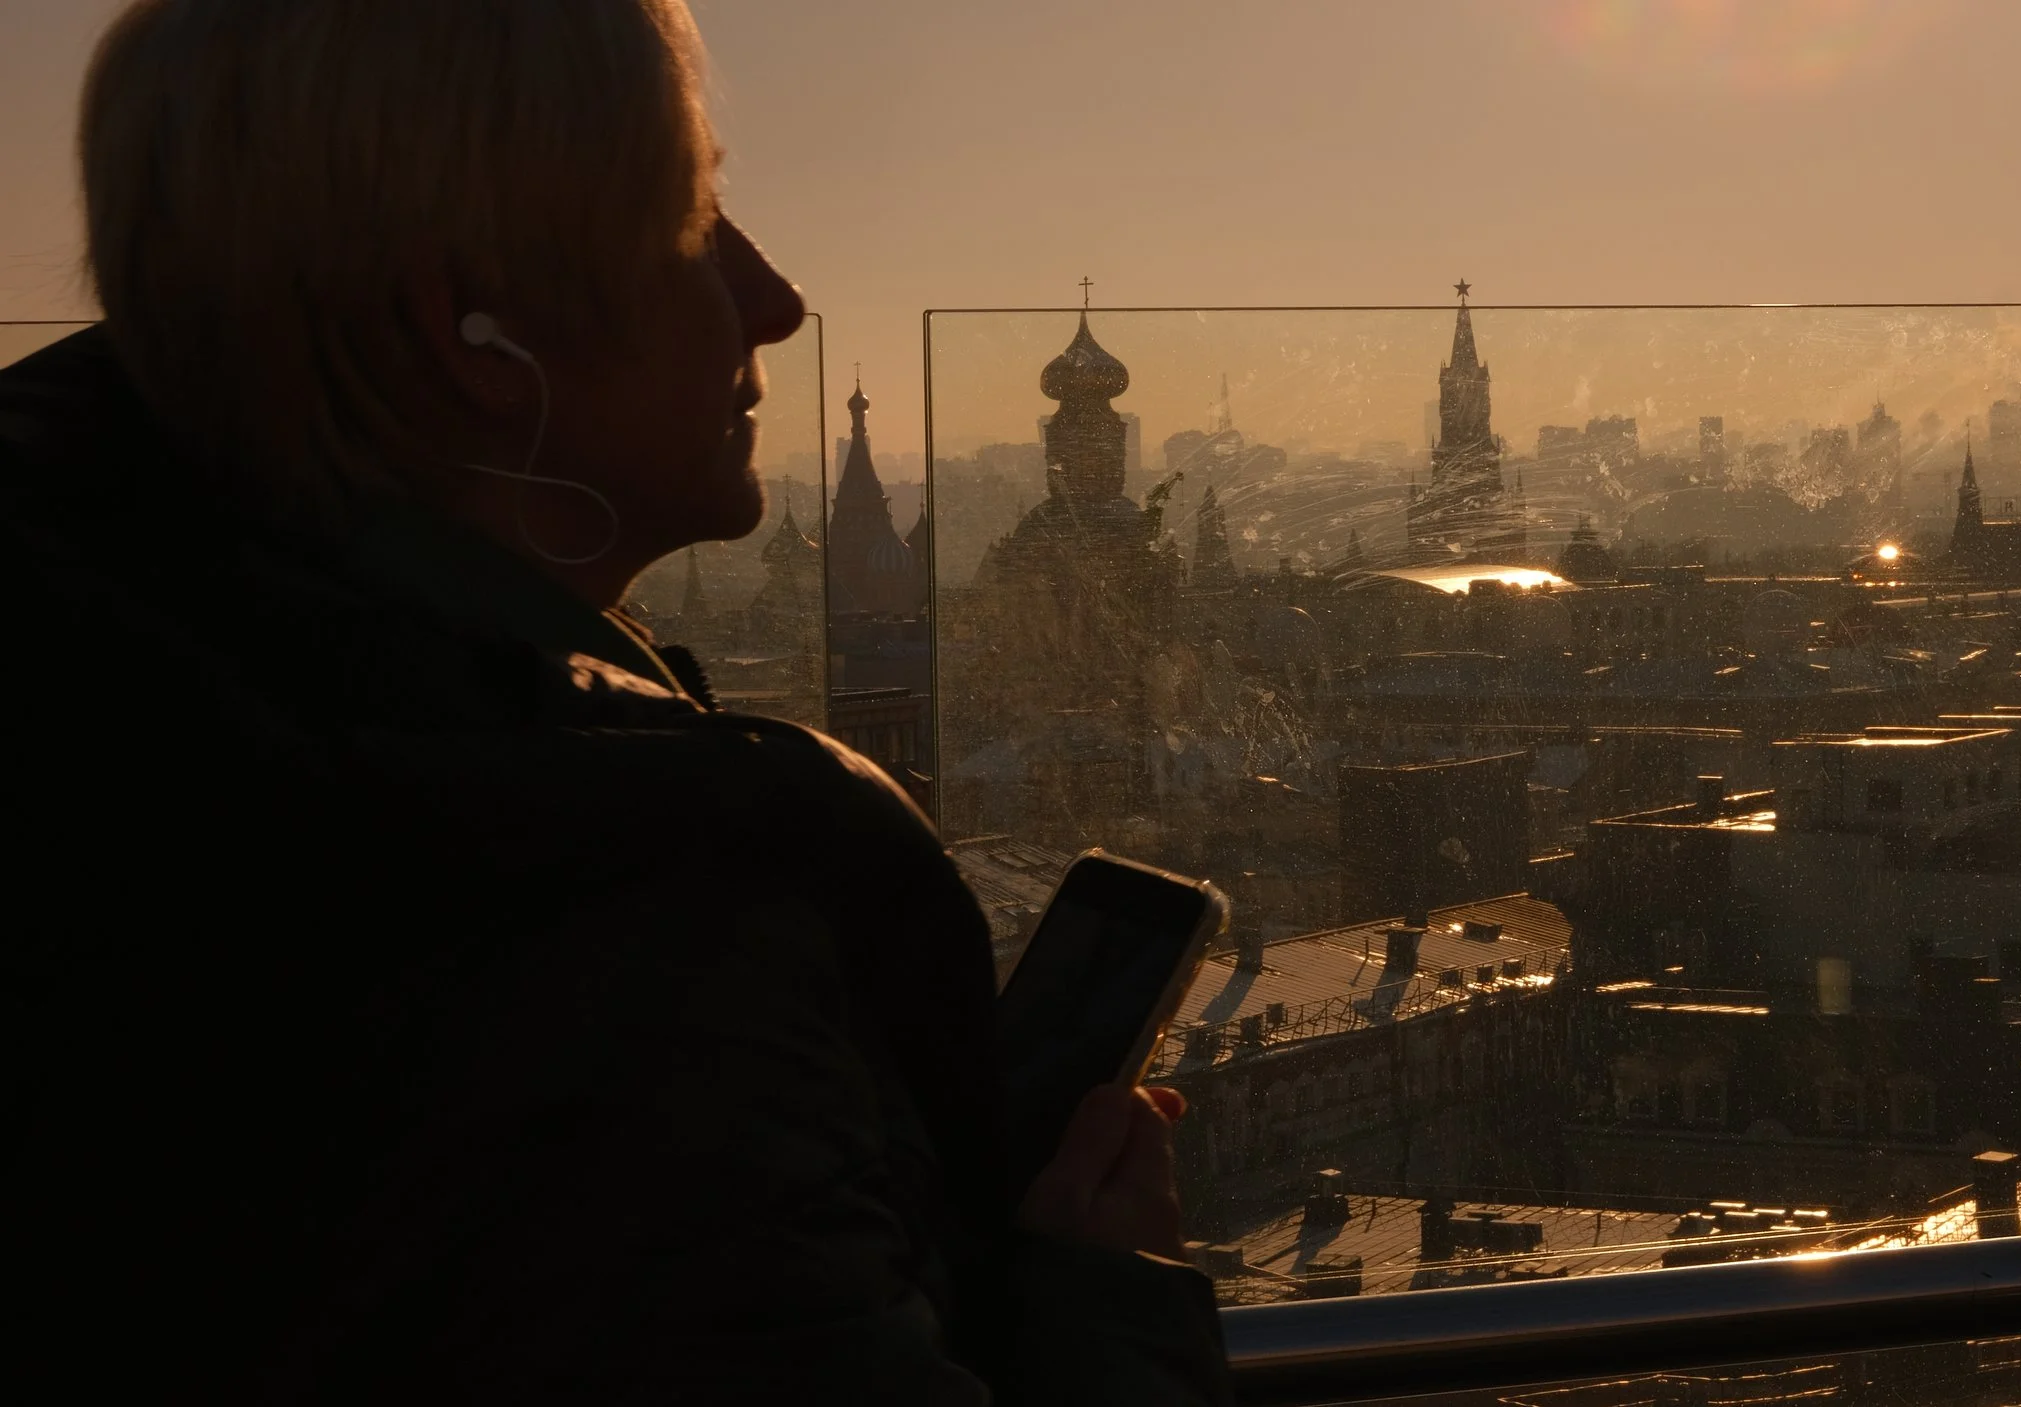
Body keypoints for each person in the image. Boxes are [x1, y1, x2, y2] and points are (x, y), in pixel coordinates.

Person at [0, 1, 1228, 1401]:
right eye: (694, 219)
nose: (775, 300)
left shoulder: (148, 739)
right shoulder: (591, 946)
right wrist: (1097, 1302)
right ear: (469, 333)